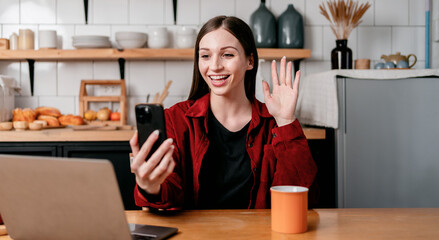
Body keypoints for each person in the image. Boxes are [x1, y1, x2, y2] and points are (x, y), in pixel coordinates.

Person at [129, 16, 317, 209]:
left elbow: (297, 199)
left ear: (250, 61)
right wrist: (150, 187)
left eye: (227, 55)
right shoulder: (176, 119)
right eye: (205, 56)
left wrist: (286, 121)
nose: (215, 66)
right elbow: (170, 192)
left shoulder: (274, 122)